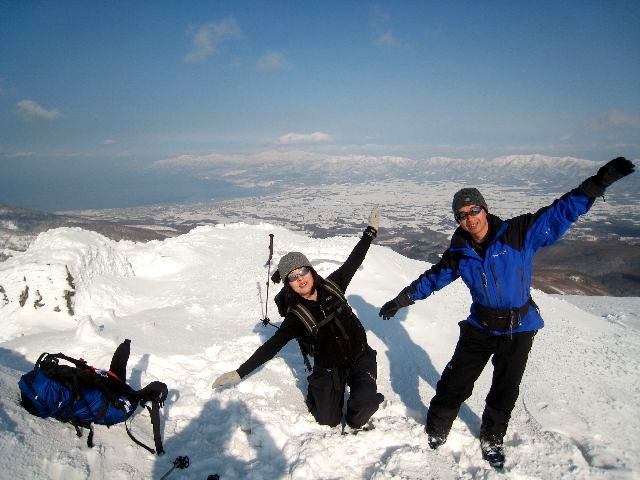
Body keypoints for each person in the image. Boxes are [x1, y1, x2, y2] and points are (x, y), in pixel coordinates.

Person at [378, 157, 635, 468]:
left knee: (505, 390)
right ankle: (437, 428)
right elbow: (435, 277)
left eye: (474, 210)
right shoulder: (460, 251)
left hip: (518, 328)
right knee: (455, 381)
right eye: (462, 215)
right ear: (457, 220)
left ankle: (492, 438)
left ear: (485, 209)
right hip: (480, 326)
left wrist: (596, 185)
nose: (470, 218)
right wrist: (403, 298)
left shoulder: (519, 233)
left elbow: (559, 213)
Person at [213, 207, 385, 432]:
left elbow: (354, 259)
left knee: (362, 407)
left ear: (311, 271)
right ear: (288, 284)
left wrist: (370, 231)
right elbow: (271, 347)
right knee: (328, 421)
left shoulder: (334, 285)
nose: (300, 279)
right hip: (329, 368)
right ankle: (319, 393)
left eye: (302, 271)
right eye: (292, 277)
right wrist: (239, 373)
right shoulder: (296, 316)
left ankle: (356, 416)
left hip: (359, 356)